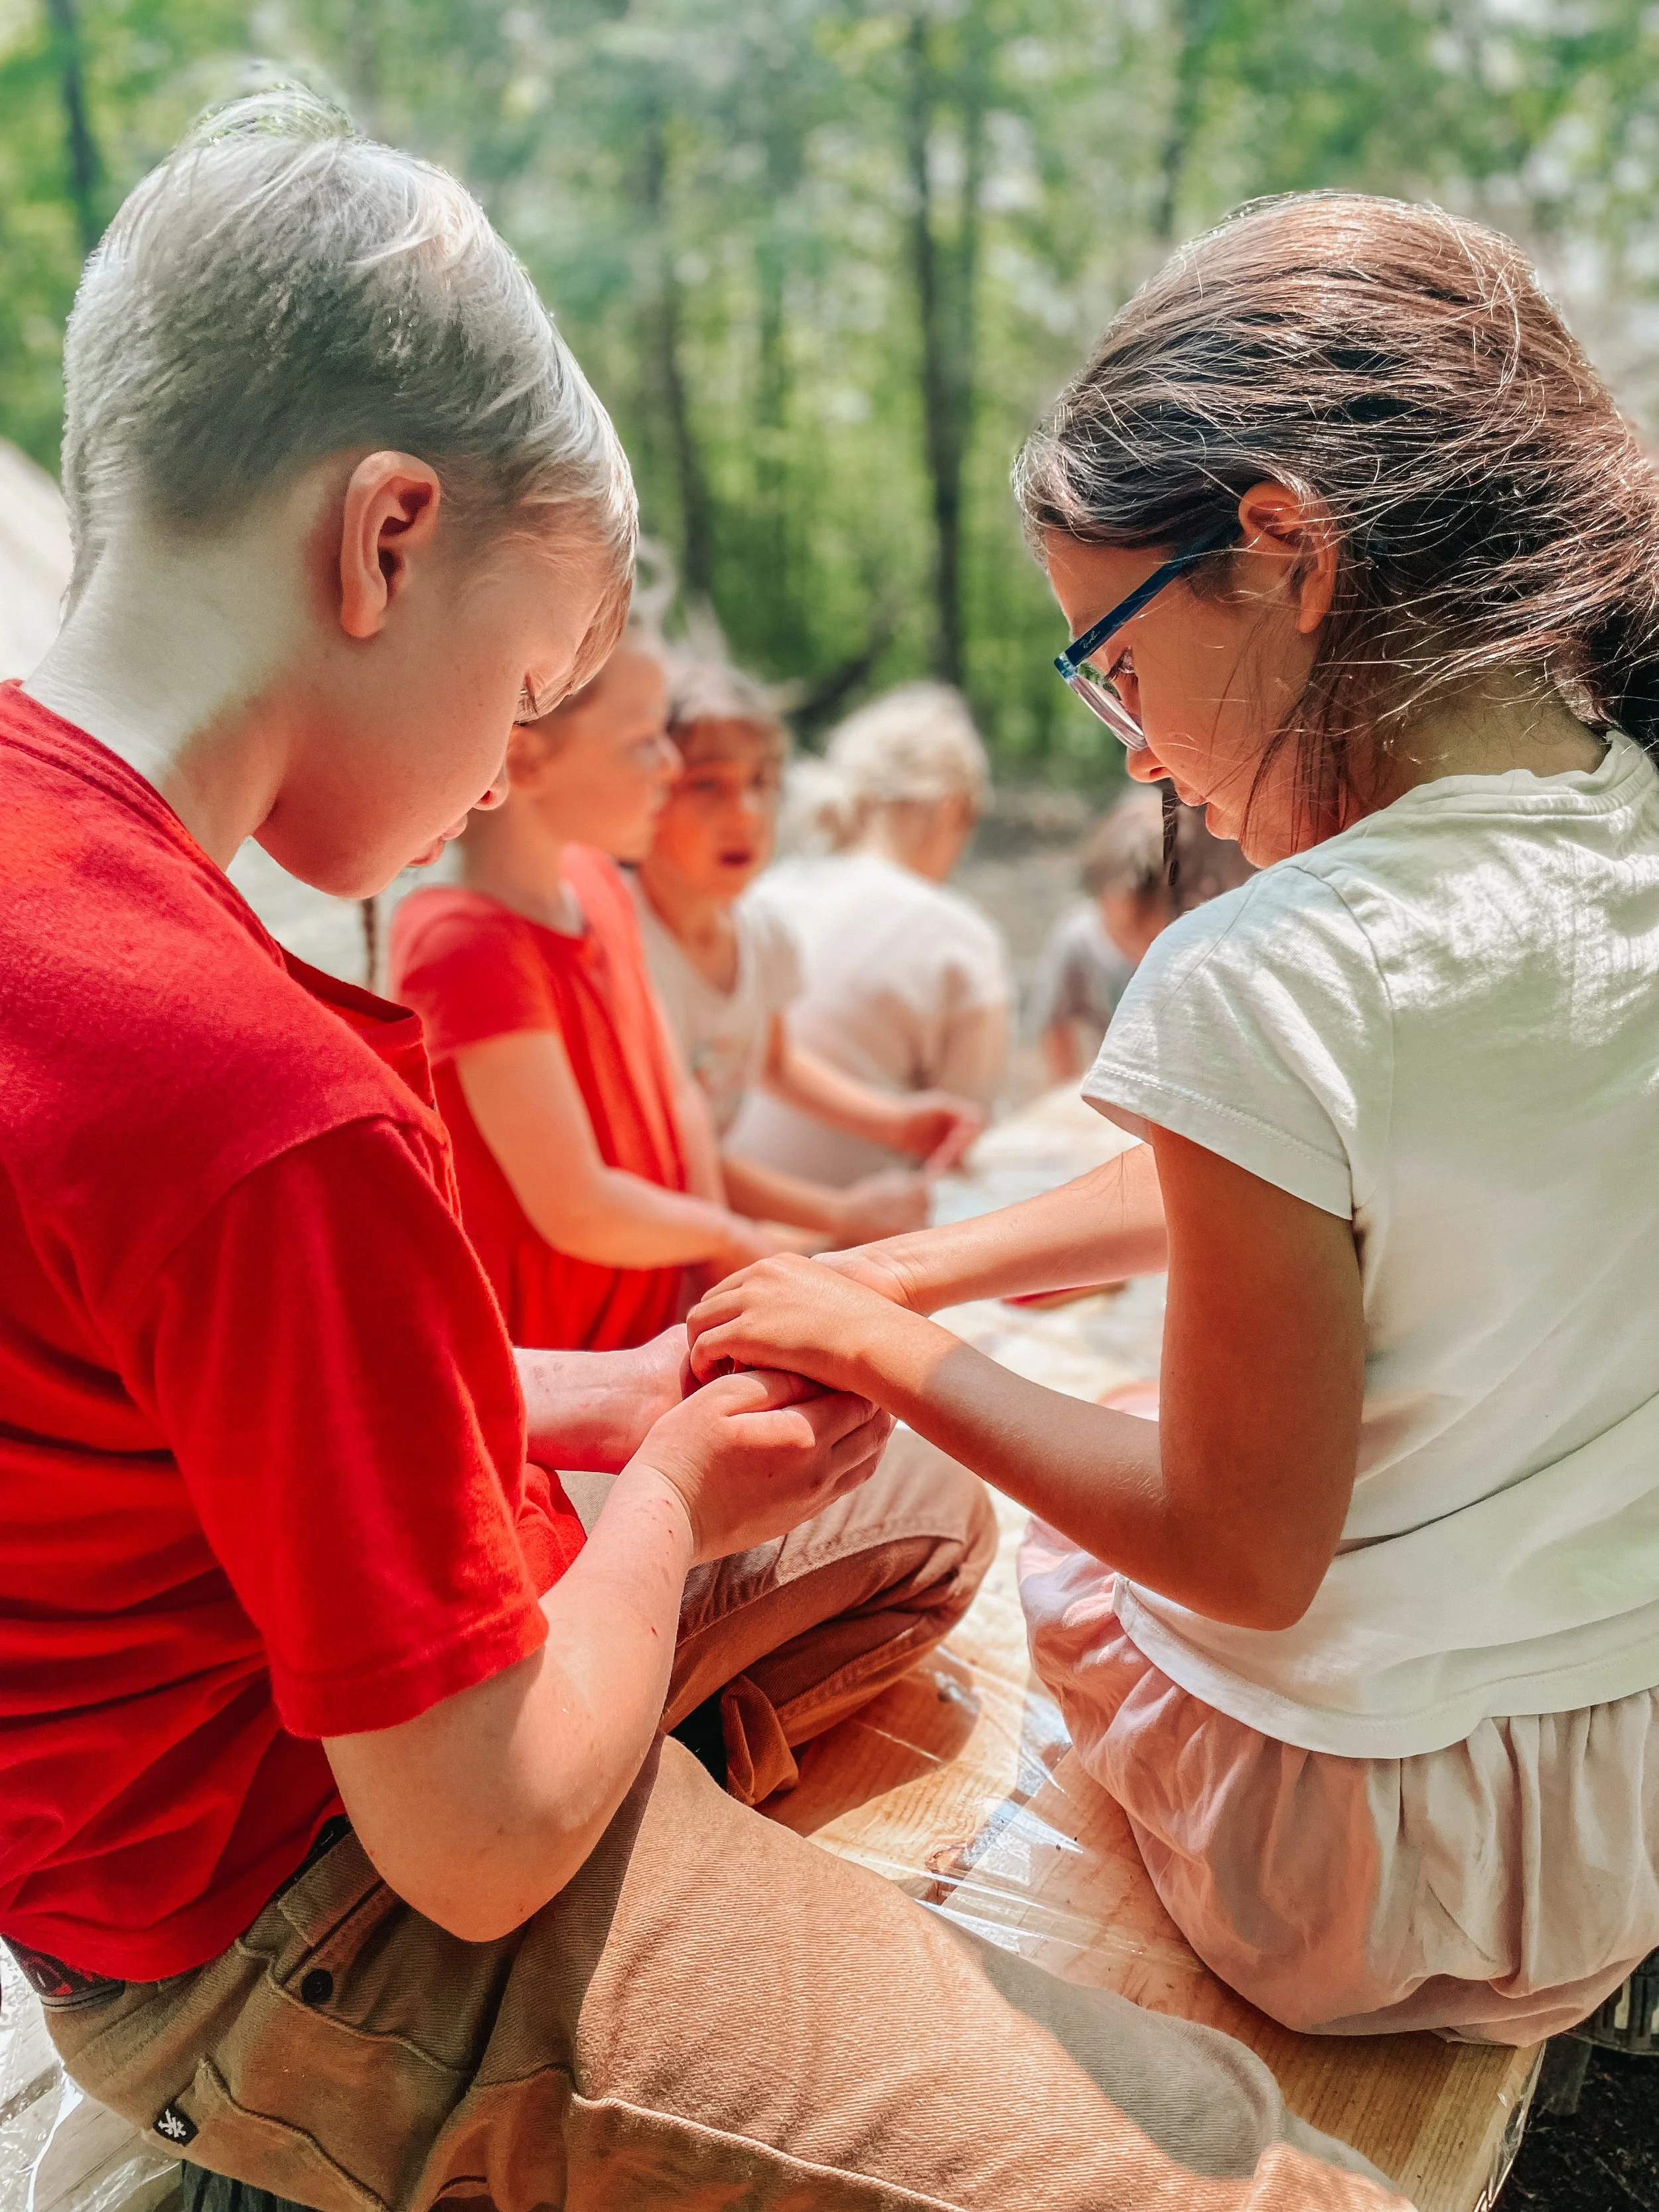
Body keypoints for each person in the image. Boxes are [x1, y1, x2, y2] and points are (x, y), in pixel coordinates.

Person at [0, 95, 1403, 2212]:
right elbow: (470, 1836)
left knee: (922, 1486)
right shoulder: (258, 1089)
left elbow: (208, 1396)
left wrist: (615, 1391)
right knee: (1217, 2161)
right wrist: (654, 1493)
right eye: (538, 674)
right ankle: (494, 2055)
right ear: (387, 538)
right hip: (312, 1910)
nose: (507, 761)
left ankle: (661, 1927)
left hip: (199, 1780)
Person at [687, 190, 1659, 2052]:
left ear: (1284, 550)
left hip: (1350, 1883)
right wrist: (931, 1256)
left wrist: (889, 1348)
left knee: (1072, 1519)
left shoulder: (1265, 966)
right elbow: (1329, 1174)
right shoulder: (1619, 827)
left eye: (1110, 659)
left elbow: (1233, 1545)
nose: (1131, 748)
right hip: (1606, 1828)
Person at [389, 629, 802, 1352]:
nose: (670, 767)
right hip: (558, 1378)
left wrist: (714, 1274)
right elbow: (577, 1206)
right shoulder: (465, 942)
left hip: (657, 1328)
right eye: (644, 740)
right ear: (526, 760)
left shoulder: (598, 881)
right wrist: (732, 1237)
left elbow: (675, 1096)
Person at [634, 655, 984, 1249]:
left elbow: (774, 1062)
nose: (745, 812)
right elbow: (665, 1154)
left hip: (708, 1235)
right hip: (645, 1241)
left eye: (761, 783)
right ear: (645, 789)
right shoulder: (626, 941)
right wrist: (839, 1215)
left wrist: (895, 1122)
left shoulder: (761, 931)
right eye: (707, 783)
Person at [729, 682, 1012, 1185]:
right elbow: (959, 1141)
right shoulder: (961, 939)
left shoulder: (761, 895)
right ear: (950, 809)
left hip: (734, 1211)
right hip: (858, 1243)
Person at [1030, 788, 1172, 1083]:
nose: (1136, 946)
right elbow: (1054, 1030)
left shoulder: (1193, 947)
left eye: (1146, 930)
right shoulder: (1079, 938)